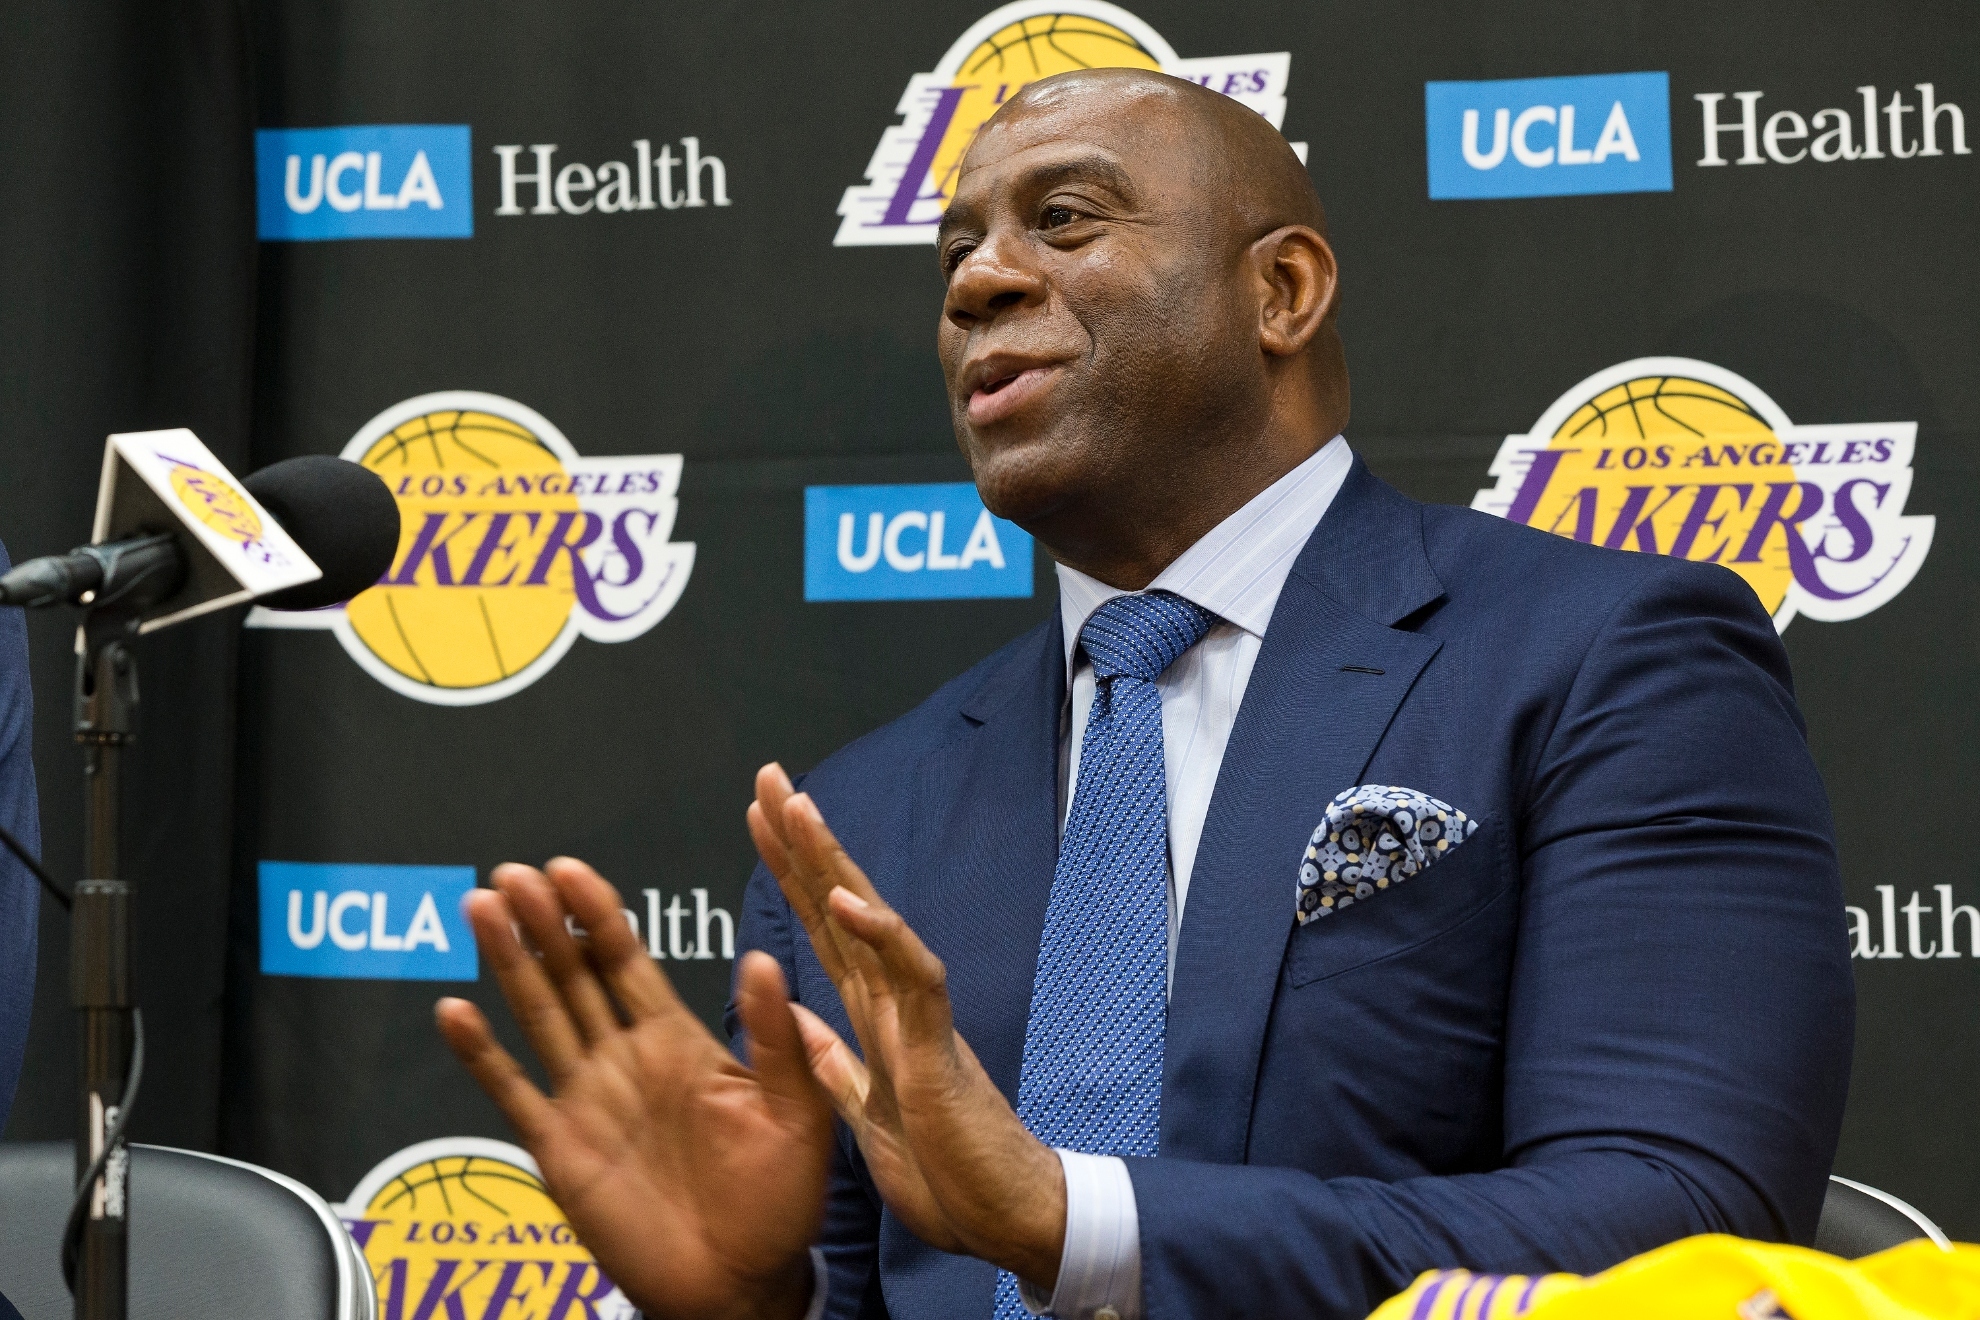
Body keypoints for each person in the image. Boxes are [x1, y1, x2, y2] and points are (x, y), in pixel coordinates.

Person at [436, 69, 1854, 1320]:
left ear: (1281, 290)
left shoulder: (1607, 659)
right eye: (955, 251)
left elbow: (1690, 1221)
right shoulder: (861, 812)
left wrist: (1078, 1225)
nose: (976, 282)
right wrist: (758, 1301)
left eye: (1063, 220)